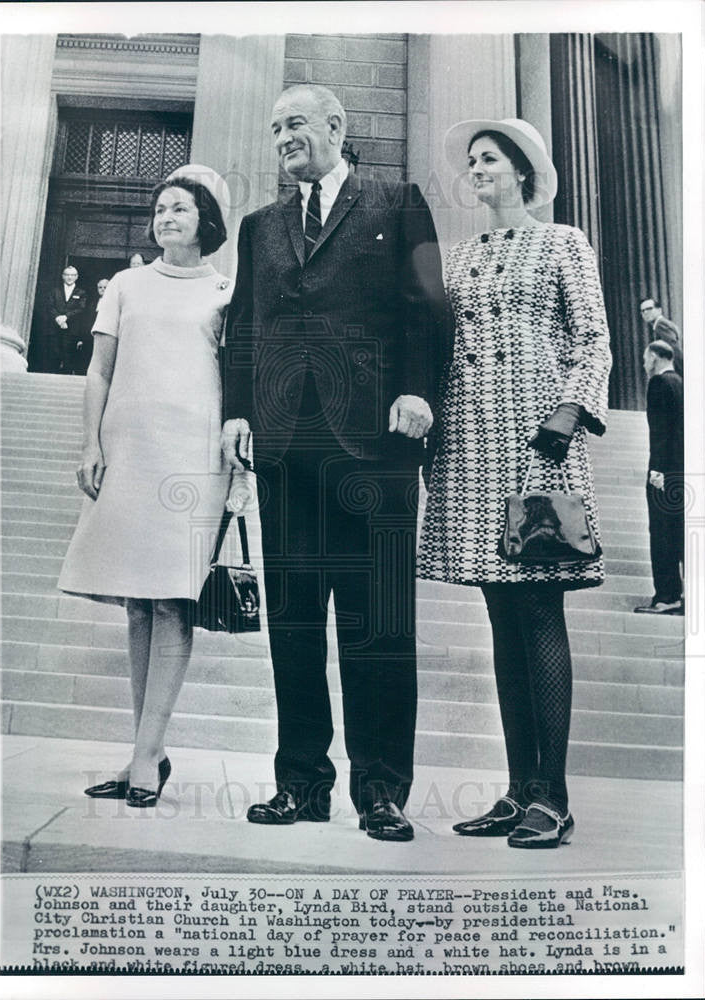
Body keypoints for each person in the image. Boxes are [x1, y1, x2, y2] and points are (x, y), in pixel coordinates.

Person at [221, 84, 450, 842]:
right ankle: (300, 784)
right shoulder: (260, 226)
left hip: (375, 444)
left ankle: (380, 791)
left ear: (334, 127)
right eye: (275, 125)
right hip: (286, 446)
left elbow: (427, 306)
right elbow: (243, 328)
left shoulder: (397, 202)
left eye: (295, 123)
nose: (284, 136)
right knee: (292, 622)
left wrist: (418, 390)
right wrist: (235, 411)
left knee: (377, 623)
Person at [419, 118, 612, 849]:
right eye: (470, 161)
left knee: (537, 610)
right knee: (500, 617)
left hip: (539, 444)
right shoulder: (458, 257)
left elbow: (592, 338)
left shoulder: (563, 242)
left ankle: (552, 797)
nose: (477, 170)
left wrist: (567, 413)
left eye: (489, 158)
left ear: (524, 172)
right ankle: (515, 789)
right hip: (471, 444)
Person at [57, 165, 232, 808]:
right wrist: (91, 442)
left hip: (192, 459)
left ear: (206, 220)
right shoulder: (127, 285)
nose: (166, 217)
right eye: (160, 208)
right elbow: (99, 371)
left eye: (180, 208)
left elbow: (230, 381)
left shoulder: (224, 290)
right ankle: (146, 755)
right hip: (129, 451)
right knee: (137, 601)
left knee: (172, 601)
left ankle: (142, 756)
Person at [634, 340, 684, 615]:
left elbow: (660, 432)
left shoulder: (658, 384)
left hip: (664, 472)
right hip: (682, 471)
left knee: (662, 533)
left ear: (654, 357)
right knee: (678, 533)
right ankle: (682, 594)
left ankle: (667, 596)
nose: (643, 364)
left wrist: (657, 471)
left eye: (645, 358)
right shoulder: (681, 383)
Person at [44, 265, 87, 373]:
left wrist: (66, 317)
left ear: (76, 277)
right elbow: (50, 306)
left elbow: (81, 309)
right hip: (55, 328)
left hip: (72, 329)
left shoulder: (81, 293)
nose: (69, 277)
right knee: (54, 353)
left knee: (69, 354)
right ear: (63, 276)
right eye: (67, 275)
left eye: (72, 275)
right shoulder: (55, 291)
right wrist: (58, 318)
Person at [640, 297, 682, 375]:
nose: (645, 312)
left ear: (659, 310)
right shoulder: (659, 325)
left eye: (649, 309)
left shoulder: (661, 325)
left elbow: (673, 350)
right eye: (642, 311)